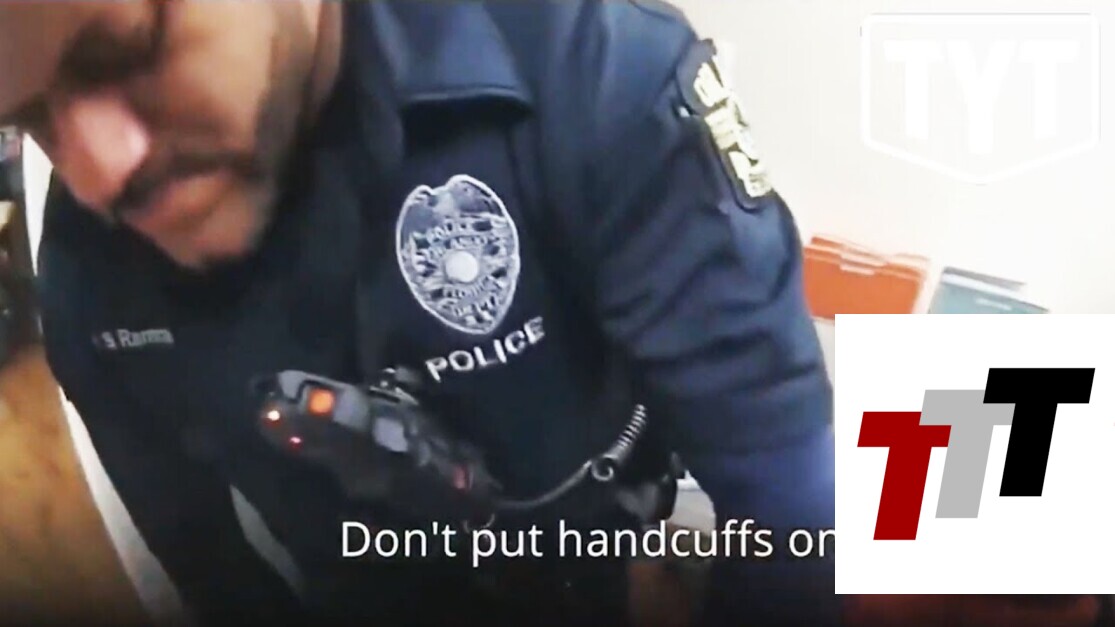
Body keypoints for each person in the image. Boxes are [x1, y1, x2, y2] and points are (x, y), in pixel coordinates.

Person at [7, 1, 838, 625]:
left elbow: (796, 504)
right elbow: (205, 572)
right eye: (32, 119)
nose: (99, 174)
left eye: (130, 49)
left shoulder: (593, 67)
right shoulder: (89, 282)